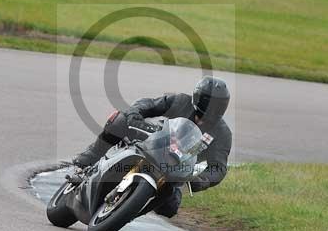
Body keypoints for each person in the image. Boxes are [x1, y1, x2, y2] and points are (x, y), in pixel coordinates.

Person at [73, 76, 232, 218]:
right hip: (154, 142)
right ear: (197, 99)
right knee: (120, 120)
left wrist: (201, 179)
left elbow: (218, 167)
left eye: (217, 106)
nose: (209, 112)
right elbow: (150, 104)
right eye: (208, 104)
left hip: (176, 170)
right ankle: (88, 160)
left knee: (170, 208)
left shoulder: (222, 134)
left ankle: (129, 209)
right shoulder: (181, 101)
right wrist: (136, 113)